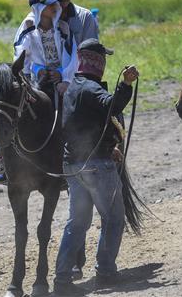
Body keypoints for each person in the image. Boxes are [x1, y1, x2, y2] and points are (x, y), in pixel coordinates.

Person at [53, 39, 139, 295]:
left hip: (73, 165)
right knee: (113, 218)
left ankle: (62, 279)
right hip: (97, 167)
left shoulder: (70, 89)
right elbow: (113, 106)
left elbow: (82, 125)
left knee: (77, 223)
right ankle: (105, 271)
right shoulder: (91, 89)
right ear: (97, 62)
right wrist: (125, 85)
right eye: (103, 60)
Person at [0, 0, 78, 185]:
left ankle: (74, 157)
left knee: (72, 109)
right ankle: (4, 161)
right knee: (10, 111)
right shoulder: (27, 26)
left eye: (55, 3)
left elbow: (72, 55)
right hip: (35, 79)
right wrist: (37, 71)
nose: (55, 6)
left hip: (62, 78)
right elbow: (21, 54)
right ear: (39, 8)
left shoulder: (62, 26)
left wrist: (64, 77)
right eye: (50, 4)